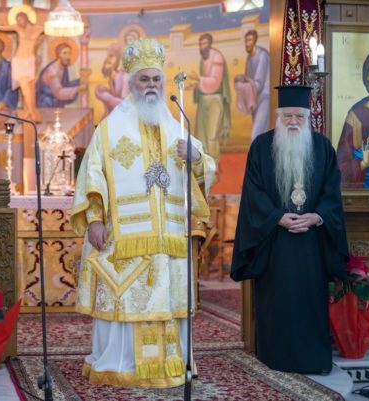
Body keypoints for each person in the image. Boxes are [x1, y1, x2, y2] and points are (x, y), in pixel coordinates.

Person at [72, 38, 215, 387]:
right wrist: (94, 219)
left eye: (155, 79)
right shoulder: (110, 129)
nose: (151, 85)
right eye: (144, 79)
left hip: (170, 238)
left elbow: (205, 170)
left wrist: (196, 158)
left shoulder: (177, 125)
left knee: (168, 299)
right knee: (125, 298)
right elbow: (93, 175)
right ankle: (121, 365)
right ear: (131, 83)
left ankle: (172, 364)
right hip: (125, 238)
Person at [231, 85, 348, 374]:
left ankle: (313, 359)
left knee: (310, 301)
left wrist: (316, 217)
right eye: (287, 116)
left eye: (299, 116)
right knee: (277, 302)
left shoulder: (323, 148)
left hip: (312, 245)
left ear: (308, 118)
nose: (293, 122)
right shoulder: (261, 147)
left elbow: (332, 193)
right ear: (278, 117)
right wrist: (277, 217)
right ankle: (276, 357)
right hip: (275, 243)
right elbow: (253, 194)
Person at [336, 48, 369, 187]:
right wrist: (363, 163)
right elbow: (341, 164)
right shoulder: (356, 115)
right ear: (367, 77)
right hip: (362, 191)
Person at [0, 6, 44, 121]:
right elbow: (1, 27)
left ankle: (30, 111)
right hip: (19, 61)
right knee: (24, 88)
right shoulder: (17, 28)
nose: (19, 22)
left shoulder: (38, 28)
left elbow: (50, 28)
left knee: (30, 87)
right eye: (17, 20)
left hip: (30, 60)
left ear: (26, 18)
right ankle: (31, 112)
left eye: (20, 19)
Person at [186, 33, 231, 162]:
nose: (202, 46)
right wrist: (194, 85)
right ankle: (203, 164)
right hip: (203, 100)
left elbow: (215, 82)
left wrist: (198, 79)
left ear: (210, 44)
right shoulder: (203, 59)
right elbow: (204, 83)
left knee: (211, 136)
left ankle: (213, 164)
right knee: (201, 136)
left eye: (204, 43)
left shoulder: (217, 57)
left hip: (214, 100)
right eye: (200, 44)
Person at [234, 30, 270, 140]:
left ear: (255, 41)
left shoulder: (262, 55)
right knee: (260, 135)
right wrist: (241, 79)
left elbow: (258, 84)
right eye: (246, 41)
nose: (247, 43)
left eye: (249, 40)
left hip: (264, 98)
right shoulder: (249, 58)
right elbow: (249, 79)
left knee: (257, 133)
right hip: (255, 99)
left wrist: (242, 86)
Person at [36, 42, 86, 108]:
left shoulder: (63, 68)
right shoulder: (52, 71)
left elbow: (65, 86)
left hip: (55, 103)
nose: (68, 56)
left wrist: (79, 81)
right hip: (46, 104)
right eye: (64, 53)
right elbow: (58, 92)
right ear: (58, 54)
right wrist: (77, 89)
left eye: (69, 53)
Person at [95, 45, 130, 117]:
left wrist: (107, 97)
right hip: (118, 110)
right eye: (105, 63)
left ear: (115, 65)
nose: (106, 66)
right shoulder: (111, 80)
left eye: (109, 63)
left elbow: (125, 104)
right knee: (99, 88)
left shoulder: (125, 77)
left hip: (127, 112)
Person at [0, 37, 19, 112]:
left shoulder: (7, 67)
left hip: (2, 103)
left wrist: (2, 104)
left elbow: (12, 88)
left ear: (0, 50)